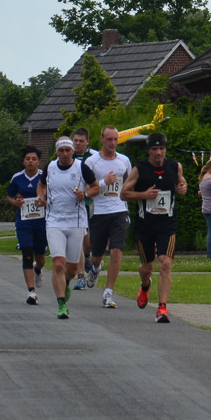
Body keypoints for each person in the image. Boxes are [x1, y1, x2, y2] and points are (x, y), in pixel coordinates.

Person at [121, 132, 187, 323]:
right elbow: (124, 194)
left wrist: (182, 188)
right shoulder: (139, 169)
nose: (158, 153)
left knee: (165, 262)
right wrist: (143, 195)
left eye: (161, 149)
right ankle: (145, 286)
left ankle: (162, 308)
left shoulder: (175, 166)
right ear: (149, 151)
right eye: (154, 149)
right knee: (147, 267)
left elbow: (181, 184)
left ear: (165, 150)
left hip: (167, 223)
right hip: (146, 224)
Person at [43, 136, 98, 319]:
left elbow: (96, 187)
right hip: (54, 221)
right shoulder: (50, 167)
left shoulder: (81, 168)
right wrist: (41, 197)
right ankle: (61, 304)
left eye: (68, 150)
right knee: (58, 263)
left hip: (76, 222)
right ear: (57, 152)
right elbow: (41, 185)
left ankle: (65, 282)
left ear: (72, 151)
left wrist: (85, 194)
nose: (65, 154)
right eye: (61, 151)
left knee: (72, 269)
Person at [83, 126, 131, 309]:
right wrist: (104, 182)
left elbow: (129, 183)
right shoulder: (92, 162)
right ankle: (96, 268)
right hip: (99, 212)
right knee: (97, 255)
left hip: (119, 210)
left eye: (115, 139)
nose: (113, 143)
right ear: (102, 139)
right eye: (109, 139)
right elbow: (87, 189)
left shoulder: (124, 161)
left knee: (117, 250)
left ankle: (108, 292)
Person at [6, 146, 47, 305]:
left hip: (41, 222)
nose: (30, 162)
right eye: (28, 159)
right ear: (24, 161)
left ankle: (38, 269)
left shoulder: (44, 177)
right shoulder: (17, 178)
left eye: (34, 159)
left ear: (38, 162)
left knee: (41, 258)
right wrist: (14, 202)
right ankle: (31, 292)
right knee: (27, 253)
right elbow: (9, 196)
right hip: (24, 222)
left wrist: (44, 201)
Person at [71, 127, 96, 291]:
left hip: (90, 203)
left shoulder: (94, 157)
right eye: (76, 141)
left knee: (88, 243)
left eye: (81, 141)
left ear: (87, 142)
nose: (78, 144)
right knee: (79, 239)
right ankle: (80, 277)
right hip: (73, 205)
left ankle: (88, 257)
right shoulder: (67, 155)